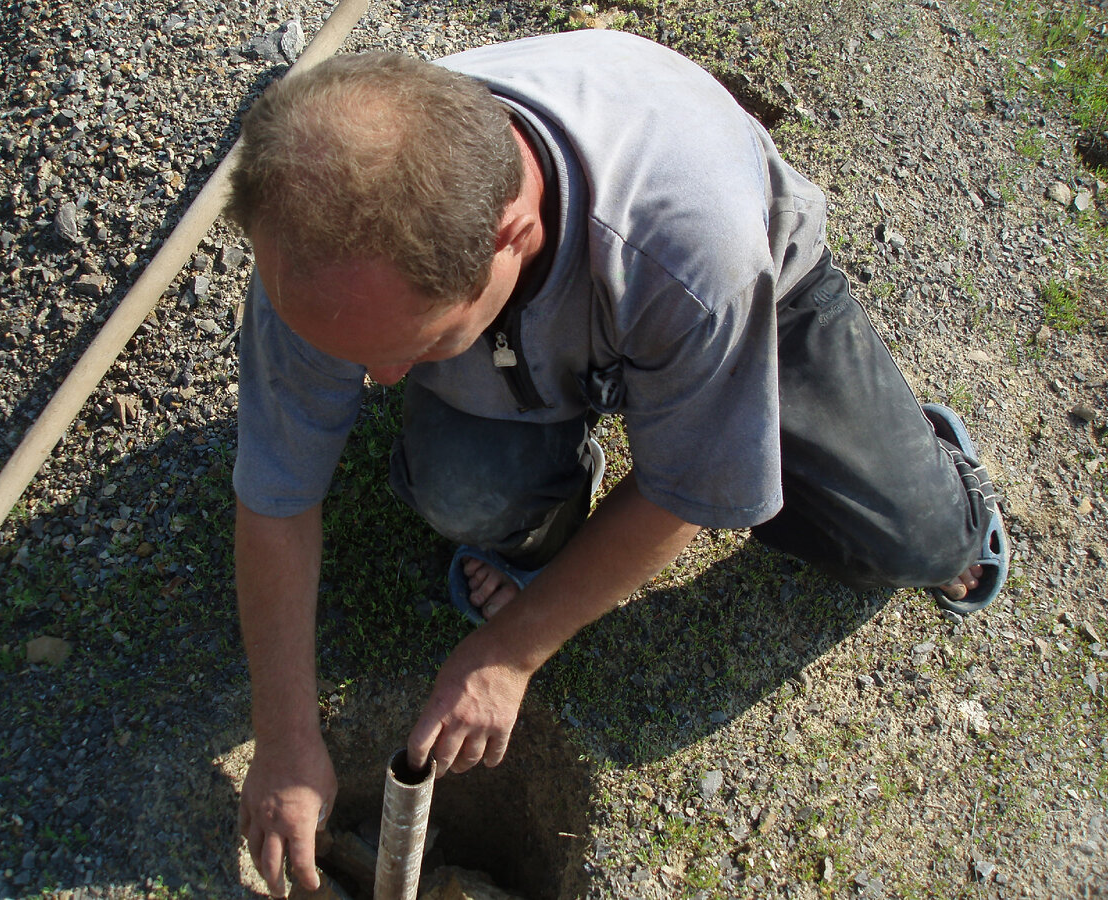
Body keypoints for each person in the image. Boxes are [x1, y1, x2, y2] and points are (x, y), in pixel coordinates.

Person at [223, 29, 1008, 894]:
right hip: (550, 318)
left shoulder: (692, 256)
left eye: (411, 346)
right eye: (361, 351)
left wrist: (510, 652)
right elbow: (277, 491)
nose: (381, 380)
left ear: (508, 235)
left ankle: (927, 468)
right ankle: (559, 471)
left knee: (911, 540)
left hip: (732, 302)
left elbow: (684, 494)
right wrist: (286, 729)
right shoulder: (320, 237)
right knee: (466, 491)